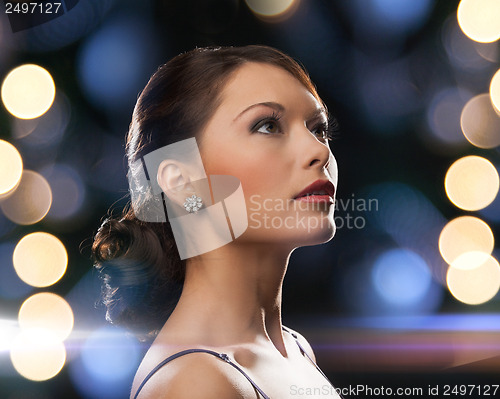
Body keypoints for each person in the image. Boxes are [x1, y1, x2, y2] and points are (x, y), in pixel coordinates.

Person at [92, 45, 341, 399]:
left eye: (318, 129)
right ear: (181, 183)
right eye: (268, 125)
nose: (320, 151)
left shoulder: (296, 350)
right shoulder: (196, 382)